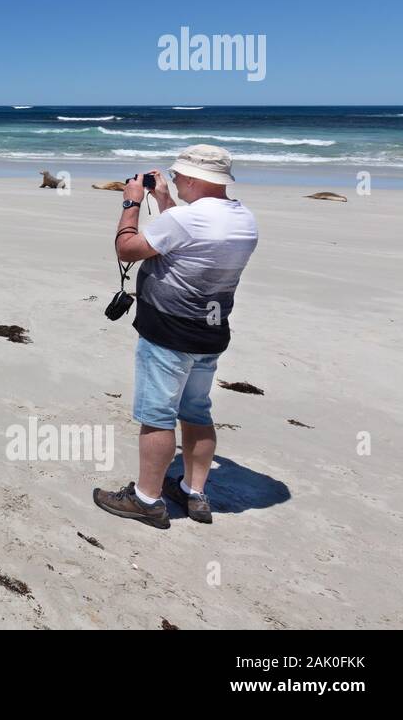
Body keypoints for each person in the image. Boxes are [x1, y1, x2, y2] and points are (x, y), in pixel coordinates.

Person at [94, 144, 259, 529]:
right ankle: (194, 491)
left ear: (196, 178)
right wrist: (166, 200)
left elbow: (127, 249)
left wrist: (131, 204)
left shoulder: (186, 220)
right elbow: (189, 239)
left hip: (168, 330)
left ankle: (147, 499)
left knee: (157, 416)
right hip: (211, 331)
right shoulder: (243, 219)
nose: (176, 180)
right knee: (197, 411)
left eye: (179, 175)